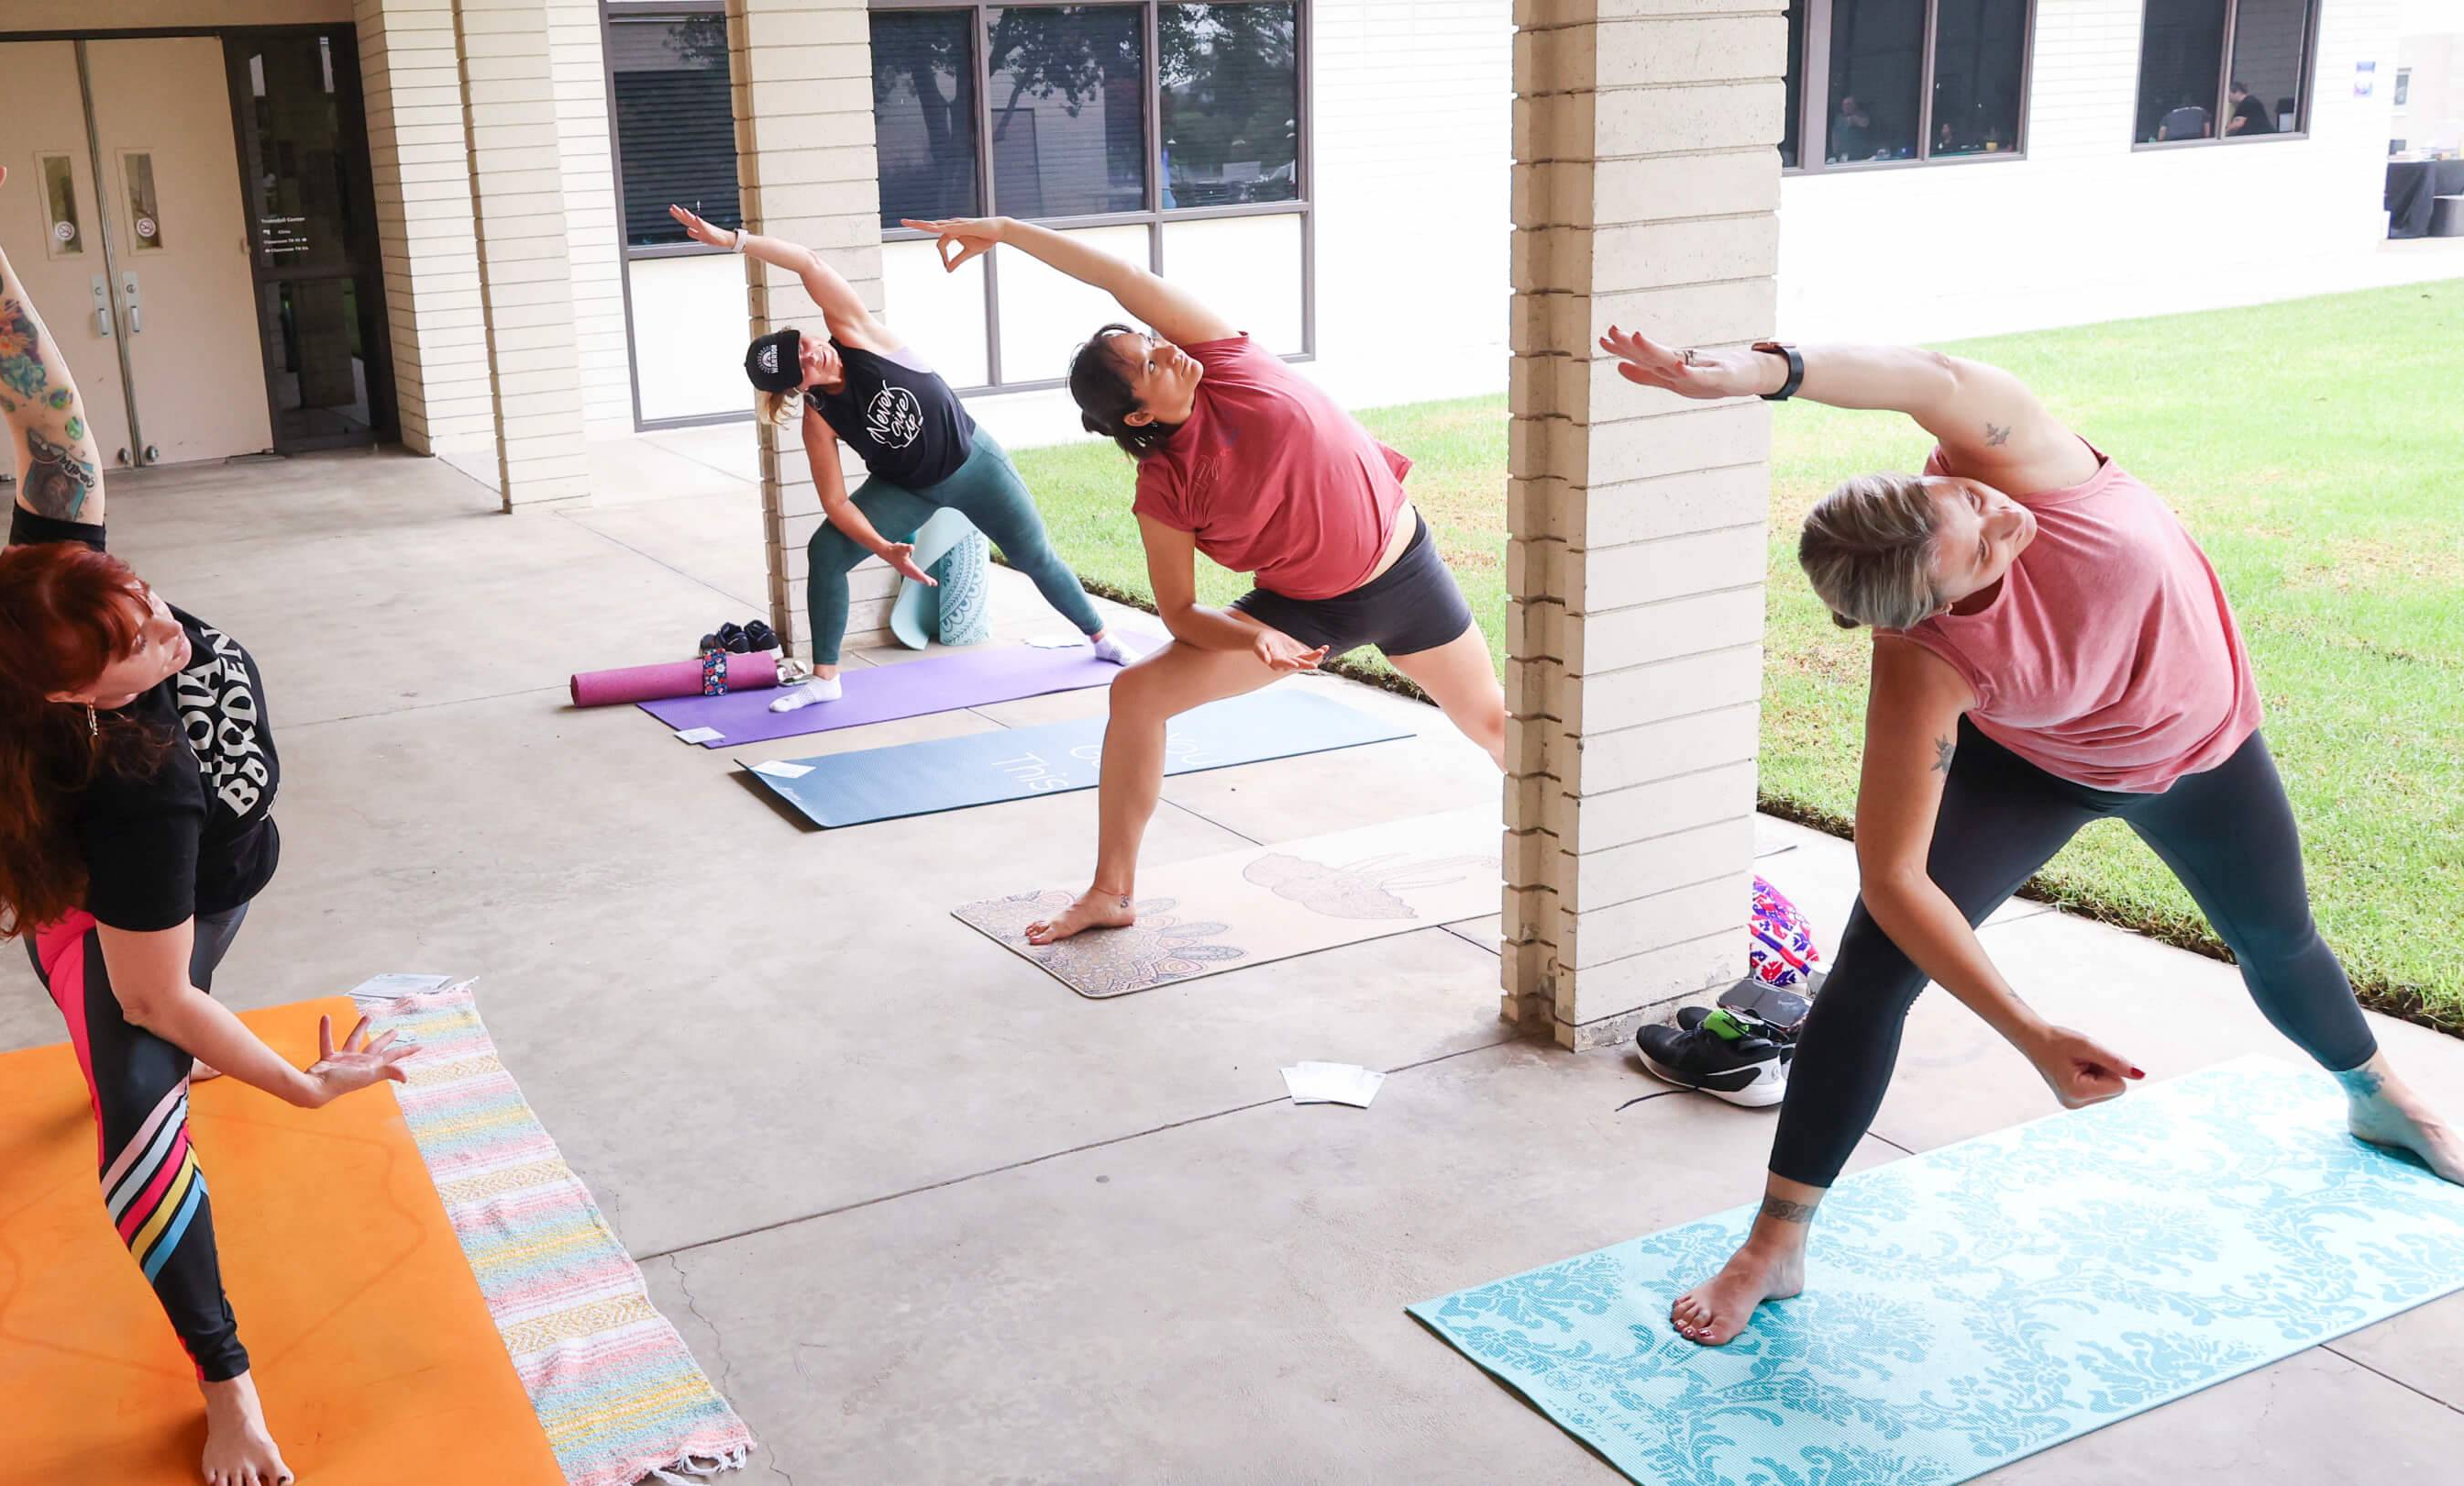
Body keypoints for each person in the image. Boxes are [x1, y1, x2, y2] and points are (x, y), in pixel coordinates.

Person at [1592, 325, 2464, 1347]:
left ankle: (2378, 1095)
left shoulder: (2027, 469)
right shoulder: (1925, 662)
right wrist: (2032, 1035)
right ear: (1934, 605)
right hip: (2040, 770)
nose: (1994, 509)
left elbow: (1932, 381)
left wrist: (1766, 373)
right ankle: (1776, 1242)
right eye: (1978, 537)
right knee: (1872, 968)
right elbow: (1896, 877)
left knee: (2279, 940)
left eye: (1954, 494)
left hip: (2202, 753)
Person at [0, 89, 414, 1486]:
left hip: (202, 889)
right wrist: (296, 1087)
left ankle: (89, 1004)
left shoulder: (48, 595)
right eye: (139, 644)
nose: (167, 626)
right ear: (71, 695)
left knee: (135, 1002)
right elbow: (164, 990)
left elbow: (60, 441)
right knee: (136, 1126)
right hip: (143, 923)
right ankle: (229, 1388)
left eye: (148, 598)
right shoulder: (137, 796)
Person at [903, 214, 1509, 944]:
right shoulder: (1164, 487)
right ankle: (1110, 891)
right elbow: (1182, 613)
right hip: (1304, 613)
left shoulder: (1225, 361)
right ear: (1137, 412)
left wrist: (1005, 231)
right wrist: (1256, 639)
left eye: (1154, 341)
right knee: (1136, 694)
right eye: (1150, 361)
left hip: (1406, 573)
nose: (1166, 350)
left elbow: (1119, 276)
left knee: (1497, 726)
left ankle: (1578, 840)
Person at [670, 205, 1136, 711]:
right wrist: (884, 547)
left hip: (972, 463)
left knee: (1034, 557)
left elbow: (808, 263)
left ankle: (1101, 637)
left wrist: (734, 241)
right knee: (827, 552)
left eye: (802, 344)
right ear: (796, 386)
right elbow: (835, 503)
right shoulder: (818, 417)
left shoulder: (859, 336)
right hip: (906, 489)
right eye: (800, 366)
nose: (812, 356)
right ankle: (826, 677)